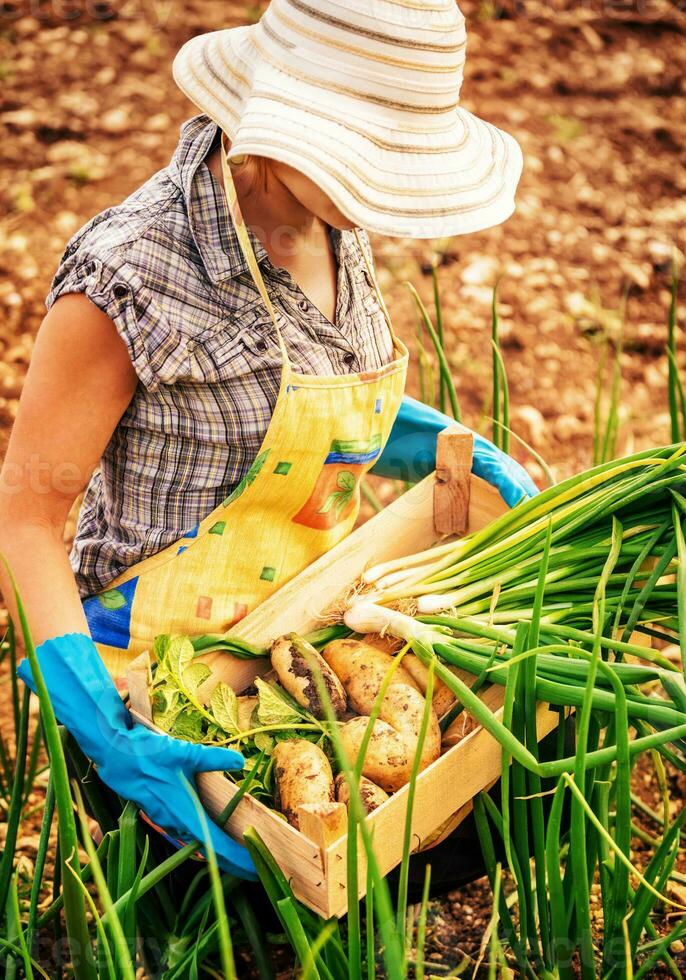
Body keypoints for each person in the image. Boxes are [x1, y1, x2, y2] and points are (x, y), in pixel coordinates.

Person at [3, 0, 537, 879]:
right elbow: (22, 517)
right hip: (162, 692)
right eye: (374, 159)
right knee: (211, 924)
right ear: (283, 126)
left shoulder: (328, 219)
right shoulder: (129, 277)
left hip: (304, 647)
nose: (388, 198)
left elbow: (282, 408)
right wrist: (102, 722)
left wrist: (438, 446)